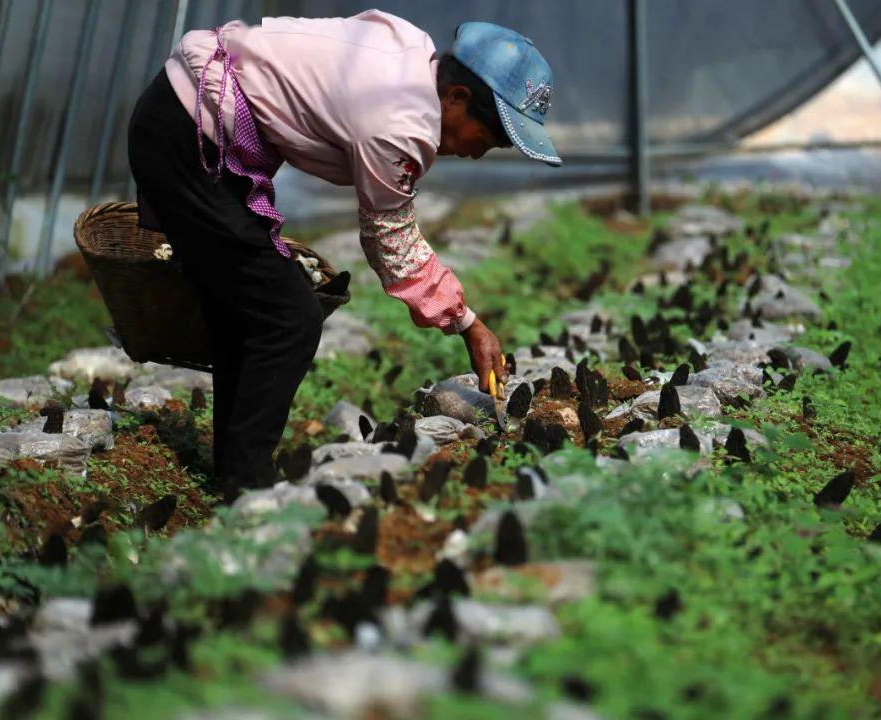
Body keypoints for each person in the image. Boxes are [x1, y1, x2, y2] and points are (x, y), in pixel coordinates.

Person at [127, 13, 562, 494]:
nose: (479, 153)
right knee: (289, 319)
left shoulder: (412, 51)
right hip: (188, 137)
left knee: (252, 314)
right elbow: (390, 239)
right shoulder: (400, 125)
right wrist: (467, 323)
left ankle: (233, 473)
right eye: (488, 138)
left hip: (187, 117)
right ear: (456, 98)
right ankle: (245, 486)